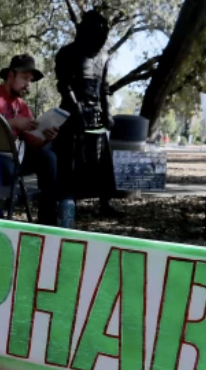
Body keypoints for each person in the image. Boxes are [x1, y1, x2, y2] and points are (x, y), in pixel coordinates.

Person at [0, 54, 59, 225]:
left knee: (48, 158)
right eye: (25, 78)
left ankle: (48, 223)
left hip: (12, 159)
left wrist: (45, 137)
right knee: (7, 164)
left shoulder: (22, 106)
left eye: (30, 81)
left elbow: (32, 142)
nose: (28, 85)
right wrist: (13, 123)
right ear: (11, 75)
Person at [54, 10, 121, 220]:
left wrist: (107, 112)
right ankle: (67, 201)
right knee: (70, 160)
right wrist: (78, 111)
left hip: (97, 113)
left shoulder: (103, 57)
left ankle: (104, 203)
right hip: (72, 111)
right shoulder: (67, 53)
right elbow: (64, 85)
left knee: (101, 161)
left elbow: (104, 88)